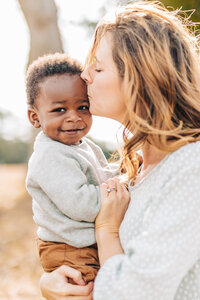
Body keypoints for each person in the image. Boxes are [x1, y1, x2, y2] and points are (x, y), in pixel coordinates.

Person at [40, 1, 200, 299]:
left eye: (98, 67)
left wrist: (107, 230)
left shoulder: (191, 167)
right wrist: (51, 281)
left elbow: (133, 292)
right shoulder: (134, 170)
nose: (84, 75)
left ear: (143, 78)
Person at [25, 53, 119, 285]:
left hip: (84, 243)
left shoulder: (83, 145)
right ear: (35, 118)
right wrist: (118, 191)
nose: (74, 117)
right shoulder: (50, 156)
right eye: (59, 110)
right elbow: (82, 205)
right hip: (69, 250)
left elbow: (104, 175)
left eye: (83, 107)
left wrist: (124, 172)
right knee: (85, 291)